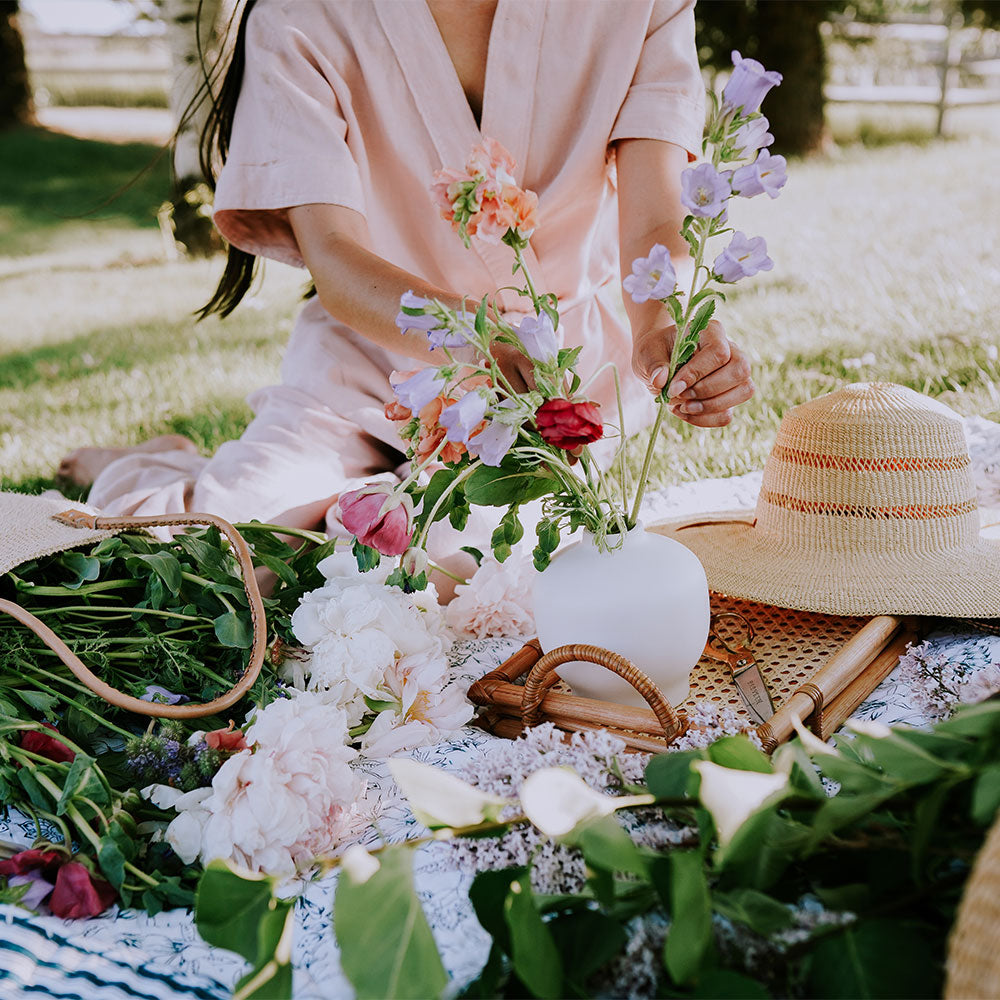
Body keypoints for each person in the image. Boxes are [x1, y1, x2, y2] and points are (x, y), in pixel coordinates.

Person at [60, 0, 754, 595]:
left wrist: (663, 327)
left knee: (436, 570)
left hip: (550, 386)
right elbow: (334, 256)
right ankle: (151, 468)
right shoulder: (300, 17)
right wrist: (473, 344)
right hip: (371, 361)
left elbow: (656, 210)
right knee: (228, 559)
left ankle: (318, 500)